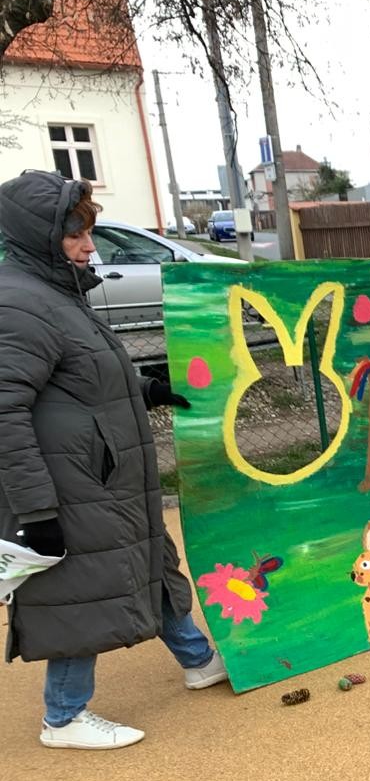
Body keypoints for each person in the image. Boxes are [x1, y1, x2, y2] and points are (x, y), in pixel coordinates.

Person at [0, 171, 226, 750]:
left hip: (106, 474)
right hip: (69, 483)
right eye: (75, 233)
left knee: (149, 562)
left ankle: (198, 659)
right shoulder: (19, 302)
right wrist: (37, 512)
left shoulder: (57, 292)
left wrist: (149, 390)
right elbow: (4, 412)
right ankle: (63, 717)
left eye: (89, 231)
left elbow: (79, 379)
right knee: (83, 587)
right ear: (41, 234)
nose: (89, 245)